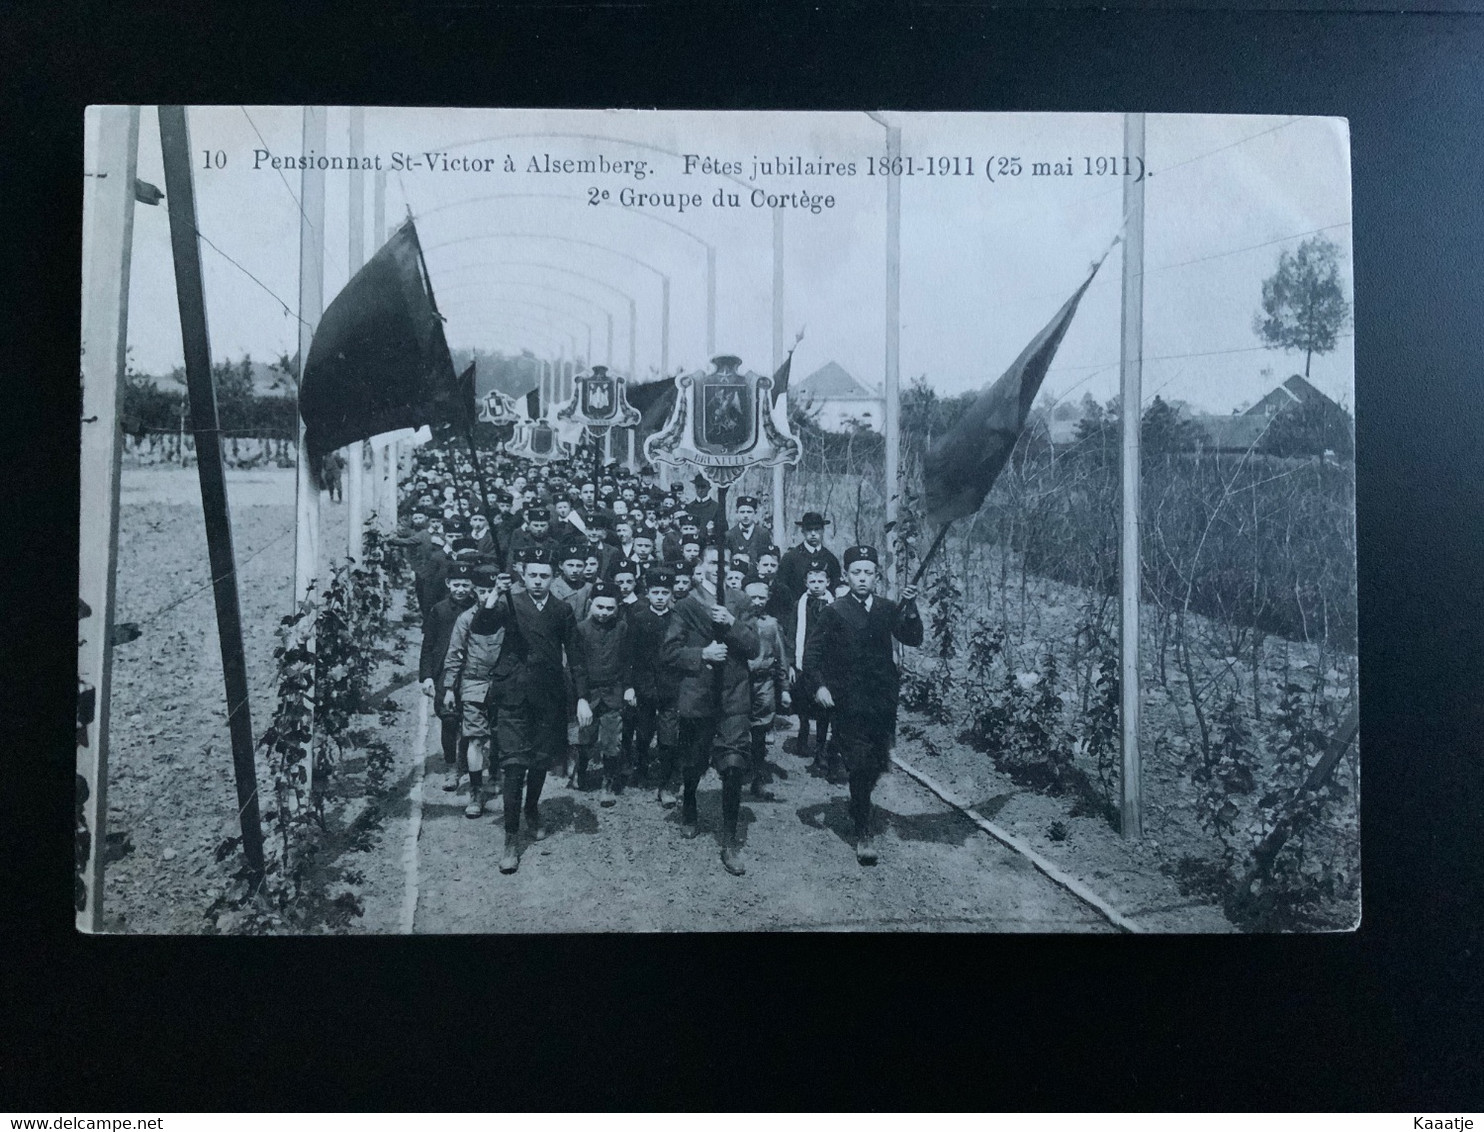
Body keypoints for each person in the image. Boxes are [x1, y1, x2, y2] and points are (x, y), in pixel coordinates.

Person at [802, 545, 922, 864]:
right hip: (848, 701)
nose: (863, 578)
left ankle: (859, 801)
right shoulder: (835, 611)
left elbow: (912, 638)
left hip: (881, 700)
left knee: (875, 763)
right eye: (857, 572)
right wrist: (819, 686)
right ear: (846, 575)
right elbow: (811, 656)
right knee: (858, 762)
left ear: (877, 576)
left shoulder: (886, 608)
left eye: (869, 572)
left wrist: (910, 608)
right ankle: (863, 829)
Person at [661, 547, 759, 875]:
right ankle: (689, 801)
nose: (719, 568)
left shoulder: (741, 602)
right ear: (701, 567)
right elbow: (669, 652)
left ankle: (729, 841)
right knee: (693, 762)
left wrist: (731, 624)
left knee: (733, 766)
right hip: (699, 695)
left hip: (733, 695)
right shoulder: (686, 605)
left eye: (725, 563)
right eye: (713, 562)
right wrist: (702, 653)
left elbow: (754, 647)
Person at [487, 548, 585, 874]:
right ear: (522, 575)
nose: (539, 581)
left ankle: (532, 809)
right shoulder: (509, 603)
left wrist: (582, 697)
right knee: (514, 767)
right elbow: (482, 625)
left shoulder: (562, 610)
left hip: (549, 697)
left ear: (553, 576)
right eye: (533, 575)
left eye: (545, 576)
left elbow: (576, 655)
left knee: (540, 760)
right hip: (513, 697)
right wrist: (493, 595)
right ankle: (511, 839)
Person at [440, 566, 508, 818]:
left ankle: (497, 774)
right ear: (475, 592)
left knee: (502, 734)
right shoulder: (466, 619)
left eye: (492, 590)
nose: (486, 595)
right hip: (473, 684)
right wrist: (449, 688)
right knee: (475, 738)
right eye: (482, 591)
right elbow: (455, 654)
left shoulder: (508, 616)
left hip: (503, 683)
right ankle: (476, 792)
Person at [572, 581, 636, 806]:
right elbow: (577, 665)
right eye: (600, 607)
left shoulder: (622, 628)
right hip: (589, 692)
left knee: (611, 739)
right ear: (591, 604)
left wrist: (628, 687)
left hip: (613, 691)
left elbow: (629, 660)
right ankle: (580, 769)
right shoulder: (580, 629)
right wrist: (581, 697)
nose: (604, 613)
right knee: (586, 737)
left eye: (610, 608)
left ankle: (607, 784)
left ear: (617, 607)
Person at [420, 561, 479, 793]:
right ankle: (451, 766)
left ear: (472, 585)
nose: (461, 589)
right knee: (449, 719)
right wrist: (426, 676)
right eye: (456, 584)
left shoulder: (478, 609)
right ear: (448, 584)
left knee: (469, 720)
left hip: (471, 670)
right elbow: (428, 645)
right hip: (444, 672)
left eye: (465, 584)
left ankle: (466, 761)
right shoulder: (439, 610)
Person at [628, 566, 679, 802]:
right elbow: (630, 656)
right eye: (656, 592)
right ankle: (641, 767)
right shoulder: (638, 619)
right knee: (644, 731)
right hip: (645, 686)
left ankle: (665, 783)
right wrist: (632, 686)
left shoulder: (678, 620)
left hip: (671, 687)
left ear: (672, 594)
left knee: (669, 736)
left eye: (665, 593)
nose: (660, 597)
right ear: (647, 593)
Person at [743, 576, 790, 800]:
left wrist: (785, 688)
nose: (757, 601)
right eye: (752, 597)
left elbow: (780, 656)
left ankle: (757, 778)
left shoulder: (771, 624)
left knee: (760, 730)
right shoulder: (735, 622)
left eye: (762, 597)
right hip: (740, 681)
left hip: (764, 682)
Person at [791, 560, 838, 780]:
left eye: (821, 581)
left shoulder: (834, 605)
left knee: (823, 708)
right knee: (802, 699)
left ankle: (821, 750)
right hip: (803, 659)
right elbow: (792, 632)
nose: (817, 585)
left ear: (828, 582)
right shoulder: (800, 604)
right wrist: (793, 661)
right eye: (812, 581)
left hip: (825, 661)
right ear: (805, 582)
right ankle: (802, 729)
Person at [778, 512, 841, 599]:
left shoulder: (830, 559)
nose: (813, 533)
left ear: (823, 530)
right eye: (809, 529)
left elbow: (835, 586)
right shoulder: (790, 558)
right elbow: (783, 587)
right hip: (797, 608)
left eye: (817, 529)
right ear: (802, 531)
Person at [725, 495, 772, 565]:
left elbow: (768, 557)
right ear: (737, 512)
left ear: (755, 513)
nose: (745, 515)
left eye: (749, 512)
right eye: (742, 512)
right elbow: (726, 559)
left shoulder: (763, 533)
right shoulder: (729, 535)